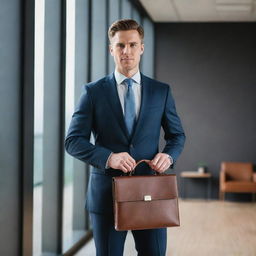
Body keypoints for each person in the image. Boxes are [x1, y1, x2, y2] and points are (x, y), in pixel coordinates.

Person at [65, 19, 185, 256]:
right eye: (120, 46)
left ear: (141, 47)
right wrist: (109, 158)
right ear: (111, 49)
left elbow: (177, 135)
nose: (126, 51)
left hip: (151, 193)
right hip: (106, 197)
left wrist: (168, 156)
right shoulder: (92, 92)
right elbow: (73, 141)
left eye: (132, 44)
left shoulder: (161, 91)